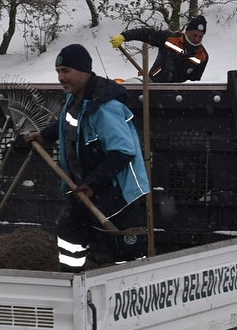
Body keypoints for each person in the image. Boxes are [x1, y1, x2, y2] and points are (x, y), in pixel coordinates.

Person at [25, 44, 150, 271]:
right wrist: (43, 136)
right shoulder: (76, 100)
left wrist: (93, 183)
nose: (61, 77)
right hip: (83, 189)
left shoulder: (106, 107)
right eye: (58, 72)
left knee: (127, 255)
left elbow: (123, 152)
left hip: (118, 194)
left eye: (66, 71)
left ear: (85, 71)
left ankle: (128, 290)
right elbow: (69, 124)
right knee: (69, 235)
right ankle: (71, 283)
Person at [109, 15, 209, 83]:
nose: (197, 39)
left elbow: (194, 83)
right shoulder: (169, 38)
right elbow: (145, 33)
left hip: (177, 94)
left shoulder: (202, 57)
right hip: (152, 84)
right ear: (187, 32)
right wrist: (124, 36)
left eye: (200, 36)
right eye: (194, 35)